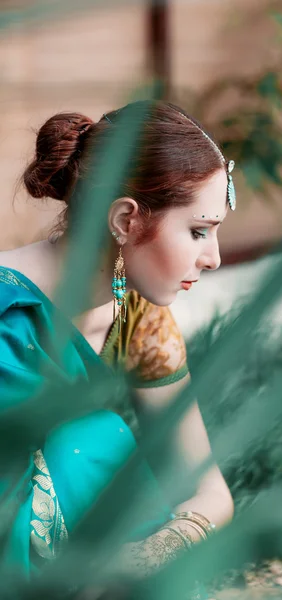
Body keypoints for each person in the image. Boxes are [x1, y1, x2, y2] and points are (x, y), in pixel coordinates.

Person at [0, 101, 235, 589]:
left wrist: (148, 555)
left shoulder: (139, 318)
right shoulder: (8, 310)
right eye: (197, 231)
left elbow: (209, 491)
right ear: (126, 220)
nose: (213, 257)